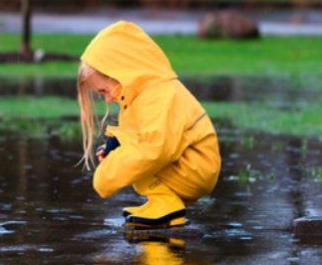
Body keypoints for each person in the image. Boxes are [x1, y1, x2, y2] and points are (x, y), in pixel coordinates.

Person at [77, 21, 220, 228]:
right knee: (132, 155)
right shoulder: (141, 95)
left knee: (139, 158)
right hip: (187, 166)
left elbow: (155, 148)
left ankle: (168, 206)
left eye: (104, 91)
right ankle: (161, 202)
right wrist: (115, 146)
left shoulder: (159, 95)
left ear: (121, 72)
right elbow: (139, 134)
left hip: (195, 170)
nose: (107, 99)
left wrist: (107, 175)